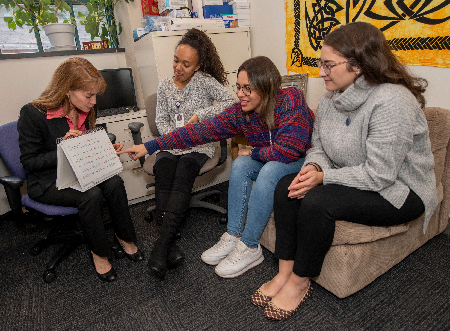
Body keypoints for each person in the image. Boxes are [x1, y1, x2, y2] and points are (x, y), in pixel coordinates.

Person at [252, 22, 438, 321]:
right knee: (288, 185)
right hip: (354, 176)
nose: (320, 72)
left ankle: (300, 283)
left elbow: (381, 175)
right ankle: (285, 271)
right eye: (320, 64)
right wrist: (313, 166)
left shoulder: (393, 102)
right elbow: (319, 147)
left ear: (359, 66)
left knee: (317, 201)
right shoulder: (330, 99)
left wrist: (324, 177)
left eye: (328, 65)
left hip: (400, 191)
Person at [120, 56, 315, 279]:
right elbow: (195, 132)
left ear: (266, 87)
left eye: (247, 89)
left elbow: (287, 150)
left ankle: (251, 247)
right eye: (239, 87)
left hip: (299, 159)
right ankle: (233, 235)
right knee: (240, 163)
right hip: (271, 156)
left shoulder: (290, 98)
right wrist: (149, 146)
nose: (240, 94)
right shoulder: (240, 113)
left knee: (267, 168)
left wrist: (253, 152)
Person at [17, 57, 143, 283]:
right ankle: (99, 253)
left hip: (80, 173)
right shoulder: (32, 113)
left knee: (114, 182)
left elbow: (82, 148)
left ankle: (124, 237)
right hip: (47, 182)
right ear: (67, 90)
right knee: (91, 195)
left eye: (95, 95)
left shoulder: (85, 110)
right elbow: (29, 162)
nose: (94, 101)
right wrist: (62, 148)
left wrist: (103, 148)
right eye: (88, 96)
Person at [146, 28, 235, 280]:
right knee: (163, 169)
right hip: (171, 143)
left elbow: (231, 102)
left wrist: (201, 117)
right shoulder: (164, 86)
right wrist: (175, 138)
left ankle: (160, 246)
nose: (178, 68)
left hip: (198, 144)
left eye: (186, 64)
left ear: (197, 66)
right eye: (176, 60)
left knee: (185, 169)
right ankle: (167, 245)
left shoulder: (205, 81)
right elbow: (160, 120)